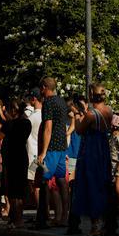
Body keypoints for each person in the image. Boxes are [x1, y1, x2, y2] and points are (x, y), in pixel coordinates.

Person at [70, 84, 112, 236]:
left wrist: (76, 115)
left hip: (91, 150)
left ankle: (96, 226)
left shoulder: (91, 114)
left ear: (92, 96)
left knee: (91, 184)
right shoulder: (109, 111)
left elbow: (79, 130)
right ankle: (106, 224)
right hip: (103, 149)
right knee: (103, 183)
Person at [36, 76, 69, 226]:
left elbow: (48, 128)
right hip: (62, 146)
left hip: (52, 148)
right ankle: (64, 217)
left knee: (43, 179)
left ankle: (44, 217)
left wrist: (43, 152)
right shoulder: (61, 101)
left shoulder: (48, 103)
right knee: (62, 181)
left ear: (44, 87)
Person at [1, 98, 31, 230]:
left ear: (14, 109)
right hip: (22, 157)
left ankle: (16, 219)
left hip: (12, 158)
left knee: (13, 191)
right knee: (20, 190)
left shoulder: (11, 124)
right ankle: (18, 218)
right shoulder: (27, 123)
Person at [25, 89, 43, 207]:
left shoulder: (31, 117)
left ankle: (40, 213)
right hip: (43, 153)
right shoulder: (45, 115)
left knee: (35, 184)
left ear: (34, 99)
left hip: (32, 155)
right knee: (42, 184)